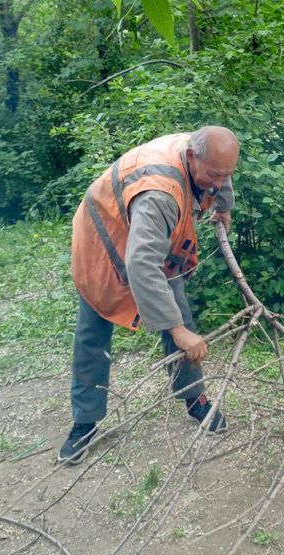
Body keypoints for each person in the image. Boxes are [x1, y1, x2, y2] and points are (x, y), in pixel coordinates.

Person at [58, 126, 240, 465]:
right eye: (213, 175)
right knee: (93, 333)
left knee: (178, 313)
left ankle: (193, 397)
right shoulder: (159, 194)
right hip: (105, 241)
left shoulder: (207, 158)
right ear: (190, 158)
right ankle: (84, 421)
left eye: (225, 175)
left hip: (149, 240)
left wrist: (224, 206)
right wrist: (177, 330)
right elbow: (141, 265)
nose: (218, 182)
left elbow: (220, 176)